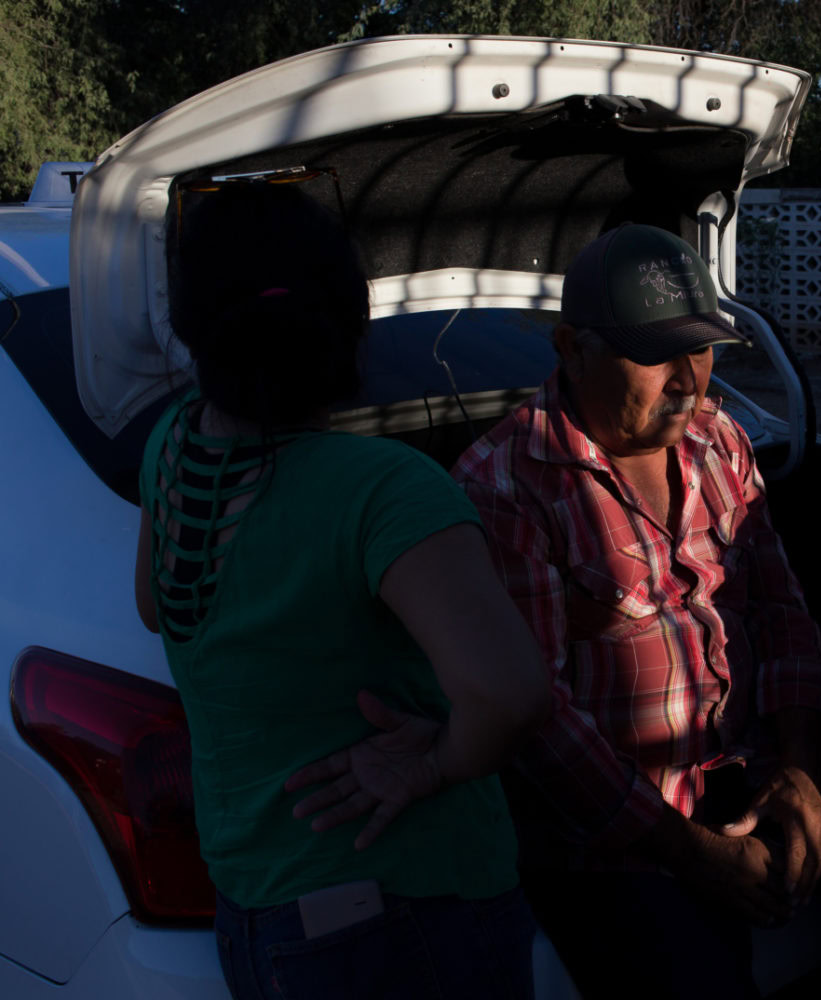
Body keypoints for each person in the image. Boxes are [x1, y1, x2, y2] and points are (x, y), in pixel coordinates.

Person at [454, 223, 821, 998]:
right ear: (572, 349)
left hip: (750, 764)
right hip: (613, 831)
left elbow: (781, 610)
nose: (688, 380)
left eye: (703, 349)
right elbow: (543, 725)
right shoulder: (505, 486)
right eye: (657, 355)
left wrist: (803, 771)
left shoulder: (720, 442)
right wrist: (692, 853)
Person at [134, 183, 550, 1000]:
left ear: (190, 327)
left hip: (260, 914)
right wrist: (431, 765)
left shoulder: (171, 445)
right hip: (407, 912)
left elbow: (157, 608)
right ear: (349, 323)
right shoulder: (384, 490)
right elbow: (509, 695)